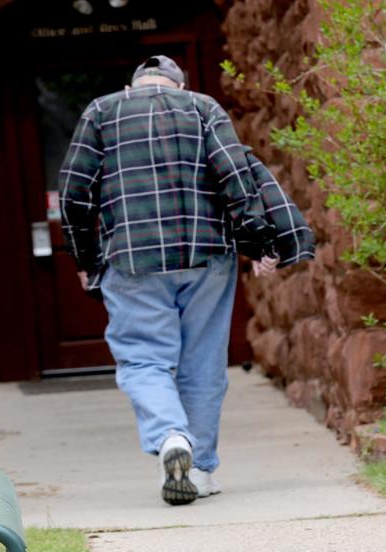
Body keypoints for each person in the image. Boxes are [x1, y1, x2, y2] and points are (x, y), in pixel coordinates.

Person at [57, 55, 298, 506]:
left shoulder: (101, 112)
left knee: (145, 359)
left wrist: (84, 257)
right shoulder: (202, 107)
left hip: (132, 257)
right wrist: (259, 241)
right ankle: (202, 468)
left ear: (136, 83)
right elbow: (236, 178)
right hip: (206, 255)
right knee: (203, 364)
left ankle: (171, 436)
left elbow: (73, 192)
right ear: (177, 83)